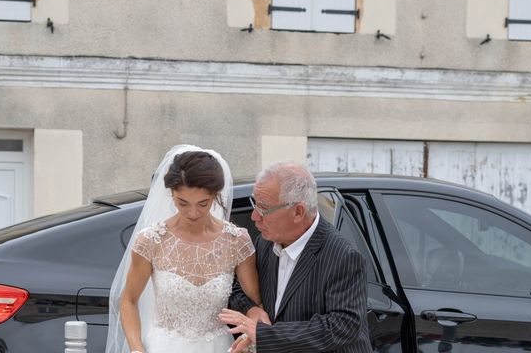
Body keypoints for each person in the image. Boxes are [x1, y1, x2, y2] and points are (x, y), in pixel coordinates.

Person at [106, 145, 262, 353]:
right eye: (183, 202)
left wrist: (248, 339)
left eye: (203, 203)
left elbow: (255, 304)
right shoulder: (151, 240)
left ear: (215, 196)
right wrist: (136, 348)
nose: (193, 212)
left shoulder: (237, 240)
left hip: (219, 347)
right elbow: (128, 300)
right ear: (171, 194)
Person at [220, 162, 371, 353]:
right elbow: (235, 285)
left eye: (263, 208)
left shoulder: (344, 255)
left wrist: (264, 335)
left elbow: (342, 325)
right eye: (254, 204)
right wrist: (252, 309)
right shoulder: (264, 242)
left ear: (298, 212)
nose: (254, 216)